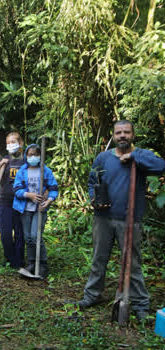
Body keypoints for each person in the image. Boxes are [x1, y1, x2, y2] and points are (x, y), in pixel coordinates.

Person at [76, 120, 165, 321]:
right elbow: (93, 180)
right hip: (103, 218)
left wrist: (133, 156)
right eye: (119, 132)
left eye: (126, 132)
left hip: (130, 219)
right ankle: (92, 295)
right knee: (99, 259)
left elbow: (161, 166)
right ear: (114, 135)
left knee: (132, 263)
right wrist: (94, 199)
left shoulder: (141, 156)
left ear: (133, 135)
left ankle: (141, 304)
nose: (122, 136)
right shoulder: (103, 158)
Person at [12, 144, 58, 278]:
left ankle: (42, 264)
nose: (33, 157)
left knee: (35, 236)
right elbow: (16, 189)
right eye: (30, 154)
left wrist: (48, 201)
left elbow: (54, 188)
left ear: (40, 156)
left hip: (40, 208)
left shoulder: (45, 171)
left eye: (36, 154)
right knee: (28, 237)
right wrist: (29, 195)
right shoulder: (22, 171)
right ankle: (32, 262)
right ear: (26, 156)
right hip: (25, 208)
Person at [0, 132, 26, 268]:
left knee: (20, 232)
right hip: (5, 200)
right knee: (5, 232)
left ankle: (18, 260)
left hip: (21, 200)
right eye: (8, 143)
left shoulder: (26, 161)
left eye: (14, 141)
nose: (11, 145)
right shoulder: (5, 160)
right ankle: (9, 257)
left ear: (21, 143)